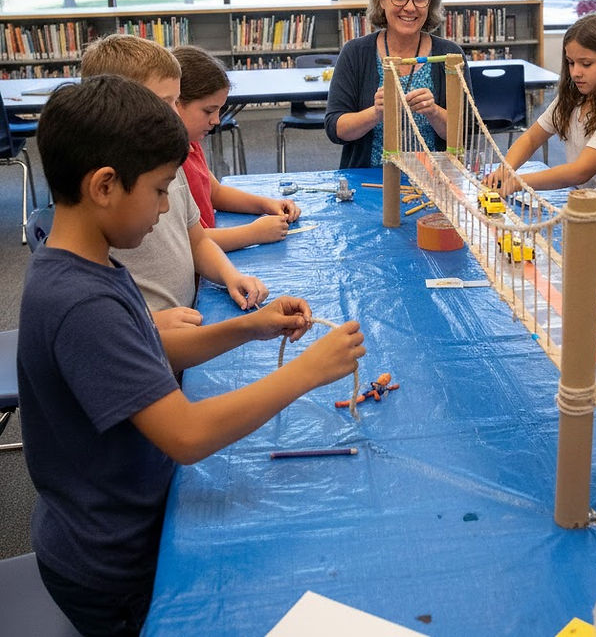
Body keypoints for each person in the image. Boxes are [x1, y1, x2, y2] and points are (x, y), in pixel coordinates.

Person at [17, 75, 365, 636]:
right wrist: (307, 373)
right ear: (105, 185)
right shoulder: (80, 302)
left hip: (115, 523)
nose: (165, 210)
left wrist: (250, 328)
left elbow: (146, 345)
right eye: (159, 190)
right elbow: (187, 436)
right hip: (114, 568)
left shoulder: (87, 262)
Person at [80, 34, 268, 326]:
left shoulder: (170, 159)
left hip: (183, 317)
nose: (173, 114)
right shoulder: (103, 191)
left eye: (176, 101)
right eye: (164, 102)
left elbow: (197, 241)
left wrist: (232, 276)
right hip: (144, 334)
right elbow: (89, 305)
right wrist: (150, 322)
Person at [483, 13, 596, 203]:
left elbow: (580, 172)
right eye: (571, 63)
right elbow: (531, 138)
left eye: (586, 64)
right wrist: (504, 170)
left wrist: (517, 182)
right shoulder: (572, 100)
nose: (576, 73)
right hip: (587, 206)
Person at [323, 0, 468, 168]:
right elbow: (336, 130)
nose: (410, 8)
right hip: (367, 179)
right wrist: (376, 113)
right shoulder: (355, 53)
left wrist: (433, 112)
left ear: (430, 3)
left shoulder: (449, 55)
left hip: (436, 179)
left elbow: (465, 132)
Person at [173, 45, 301, 251]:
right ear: (175, 102)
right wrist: (253, 233)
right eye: (208, 111)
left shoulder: (192, 143)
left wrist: (267, 205)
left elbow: (215, 192)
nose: (216, 120)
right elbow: (189, 242)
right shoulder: (170, 163)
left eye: (219, 110)